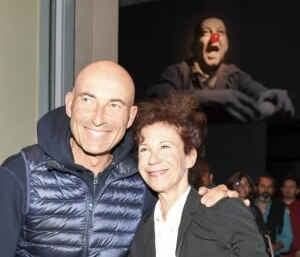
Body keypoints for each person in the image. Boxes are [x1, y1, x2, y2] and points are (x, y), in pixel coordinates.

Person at [0, 60, 238, 256]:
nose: (98, 118)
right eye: (87, 100)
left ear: (130, 116)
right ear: (70, 104)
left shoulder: (143, 181)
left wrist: (218, 201)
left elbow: (184, 218)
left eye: (114, 105)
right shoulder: (21, 174)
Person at [129, 92, 268, 256]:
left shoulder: (223, 211)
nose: (153, 159)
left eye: (165, 146)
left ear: (190, 157)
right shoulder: (141, 230)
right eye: (144, 149)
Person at [146, 16, 295, 122]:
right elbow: (156, 97)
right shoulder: (178, 72)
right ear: (194, 46)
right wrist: (216, 98)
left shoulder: (234, 75)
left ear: (226, 46)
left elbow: (259, 93)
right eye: (206, 32)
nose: (214, 38)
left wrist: (275, 96)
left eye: (220, 32)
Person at [227, 171, 270, 254]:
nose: (242, 186)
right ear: (231, 186)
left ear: (250, 188)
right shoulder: (225, 207)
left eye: (246, 184)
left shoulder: (254, 210)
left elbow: (263, 234)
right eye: (238, 183)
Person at [256, 174, 294, 257]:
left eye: (269, 187)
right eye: (262, 186)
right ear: (256, 188)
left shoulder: (280, 209)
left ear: (273, 190)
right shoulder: (248, 208)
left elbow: (288, 236)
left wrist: (276, 247)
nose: (266, 189)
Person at [280, 174, 300, 257]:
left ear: (297, 190)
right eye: (286, 186)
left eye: (292, 187)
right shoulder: (272, 207)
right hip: (278, 253)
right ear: (281, 189)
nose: (288, 189)